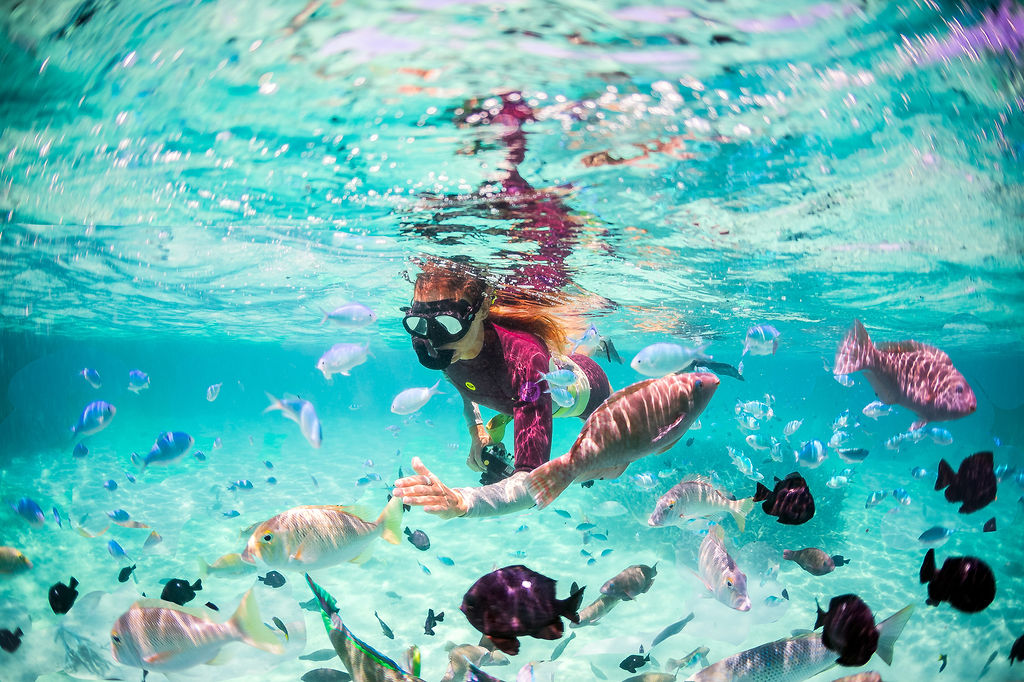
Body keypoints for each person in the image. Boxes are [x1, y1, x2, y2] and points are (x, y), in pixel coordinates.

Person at [391, 258, 612, 519]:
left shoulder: (525, 362)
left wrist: (464, 502)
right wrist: (477, 431)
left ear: (482, 308)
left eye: (449, 324)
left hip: (588, 390)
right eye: (420, 324)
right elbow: (463, 384)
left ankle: (597, 344)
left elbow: (530, 484)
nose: (434, 340)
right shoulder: (446, 346)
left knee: (612, 467)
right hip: (523, 395)